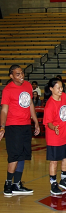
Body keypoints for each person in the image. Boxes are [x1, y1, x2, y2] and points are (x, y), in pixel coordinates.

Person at [1, 64, 40, 196]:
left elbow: (30, 104)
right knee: (14, 155)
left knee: (23, 154)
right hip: (13, 126)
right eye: (18, 74)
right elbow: (4, 110)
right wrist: (2, 126)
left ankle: (16, 184)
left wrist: (35, 121)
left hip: (25, 125)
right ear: (11, 76)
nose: (21, 76)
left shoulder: (28, 86)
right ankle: (8, 183)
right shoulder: (7, 90)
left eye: (22, 73)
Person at [43, 78, 66, 195]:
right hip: (54, 136)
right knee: (54, 161)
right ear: (51, 89)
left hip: (65, 135)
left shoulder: (65, 98)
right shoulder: (50, 104)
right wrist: (54, 128)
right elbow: (48, 122)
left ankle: (64, 179)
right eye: (58, 87)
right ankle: (53, 183)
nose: (61, 89)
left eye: (62, 87)